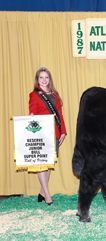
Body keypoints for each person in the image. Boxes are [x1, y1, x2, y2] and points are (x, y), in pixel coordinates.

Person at [29, 66, 67, 204]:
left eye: (46, 77)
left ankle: (41, 193)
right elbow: (32, 111)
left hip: (55, 131)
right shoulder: (34, 95)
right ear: (37, 80)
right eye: (41, 77)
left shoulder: (55, 94)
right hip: (41, 132)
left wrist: (63, 131)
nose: (44, 80)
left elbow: (60, 114)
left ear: (49, 79)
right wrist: (31, 116)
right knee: (42, 163)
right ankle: (47, 194)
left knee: (49, 162)